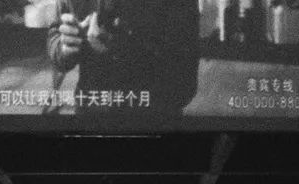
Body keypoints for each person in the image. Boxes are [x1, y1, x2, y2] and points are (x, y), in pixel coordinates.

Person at [47, 0, 200, 115]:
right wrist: (63, 48)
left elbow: (184, 86)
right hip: (90, 113)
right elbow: (56, 31)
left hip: (151, 119)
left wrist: (119, 48)